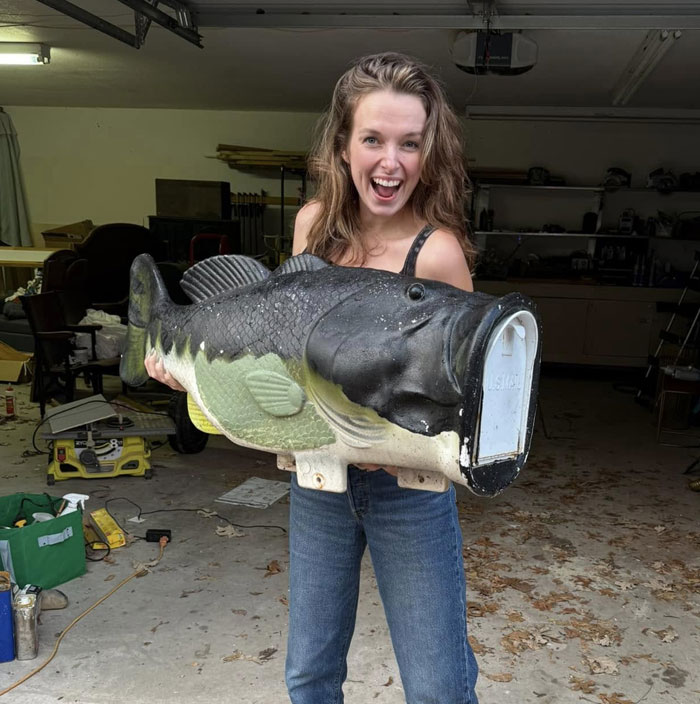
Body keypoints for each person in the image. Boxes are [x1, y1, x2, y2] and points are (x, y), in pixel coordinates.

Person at [146, 51, 479, 704]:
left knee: (438, 688)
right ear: (343, 144)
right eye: (374, 139)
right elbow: (287, 359)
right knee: (309, 676)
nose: (391, 162)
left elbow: (466, 396)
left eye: (410, 143)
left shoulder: (436, 253)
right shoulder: (314, 227)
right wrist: (204, 379)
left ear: (429, 150)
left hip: (408, 493)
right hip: (317, 478)